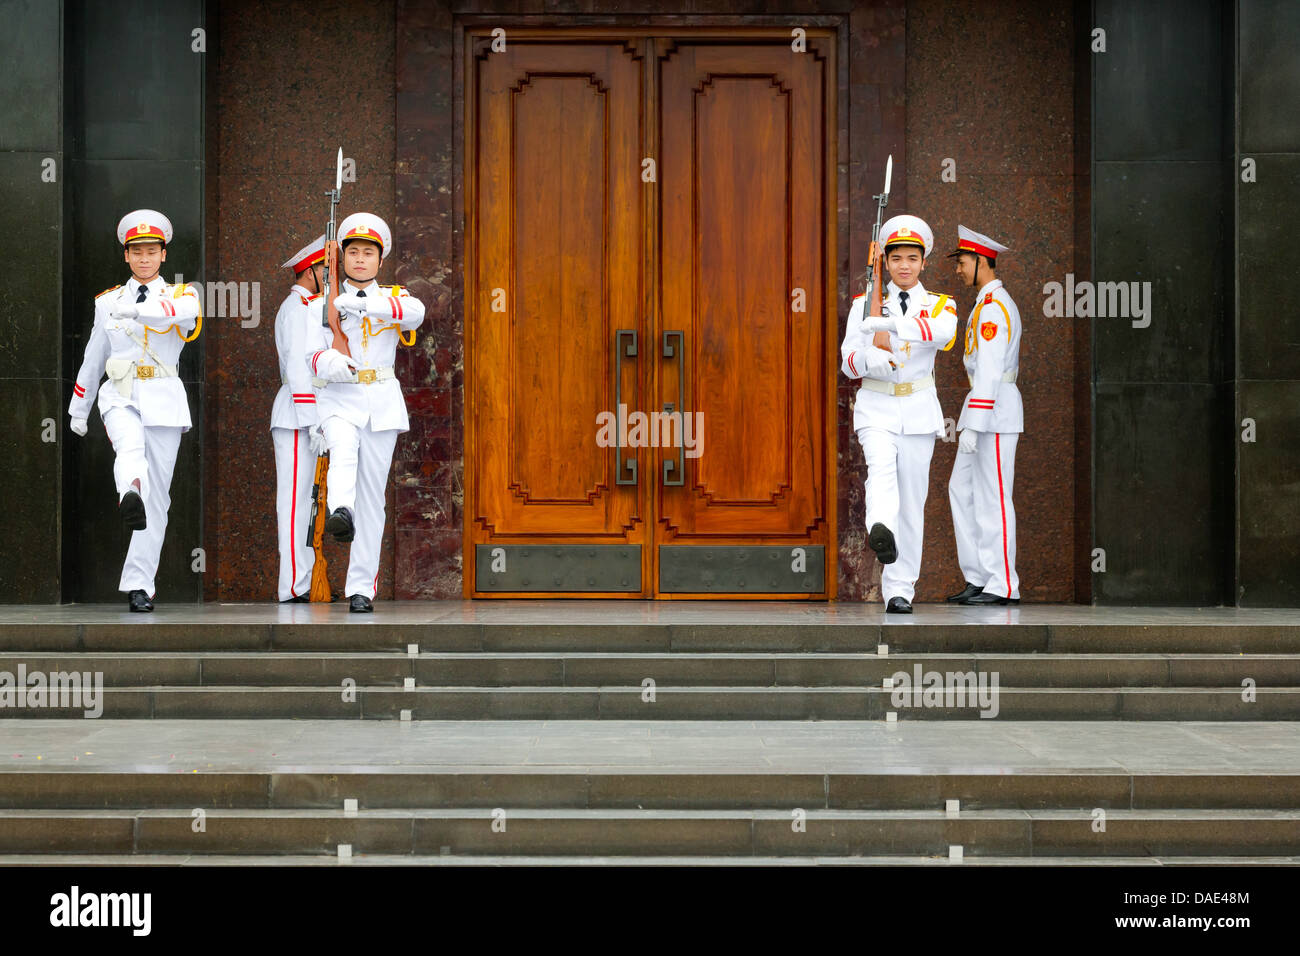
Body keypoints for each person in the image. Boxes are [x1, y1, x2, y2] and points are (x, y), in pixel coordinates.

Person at [67, 209, 202, 612]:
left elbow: (187, 315)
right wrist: (79, 407)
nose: (144, 258)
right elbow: (94, 356)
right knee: (129, 450)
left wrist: (139, 312)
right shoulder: (107, 302)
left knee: (158, 501)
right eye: (137, 251)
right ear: (126, 256)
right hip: (120, 393)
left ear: (164, 255)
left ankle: (140, 583)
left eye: (152, 251)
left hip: (162, 396)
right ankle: (129, 491)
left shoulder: (182, 295)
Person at [306, 212, 424, 612]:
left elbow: (416, 314)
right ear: (342, 257)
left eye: (367, 253)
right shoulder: (320, 304)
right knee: (341, 450)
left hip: (380, 403)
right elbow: (312, 357)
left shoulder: (395, 297)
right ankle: (341, 510)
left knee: (373, 499)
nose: (359, 259)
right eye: (352, 252)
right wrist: (333, 364)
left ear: (380, 259)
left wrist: (362, 301)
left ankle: (361, 588)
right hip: (340, 398)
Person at [840, 215, 958, 613]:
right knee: (880, 472)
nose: (904, 266)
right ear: (885, 263)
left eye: (912, 258)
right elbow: (849, 361)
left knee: (912, 501)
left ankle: (900, 589)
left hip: (919, 410)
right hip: (877, 406)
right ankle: (880, 528)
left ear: (924, 262)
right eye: (896, 259)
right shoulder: (863, 303)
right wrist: (873, 357)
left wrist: (891, 323)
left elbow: (942, 336)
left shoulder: (941, 305)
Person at [945, 225, 1022, 605]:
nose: (958, 270)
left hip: (994, 412)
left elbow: (990, 371)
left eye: (962, 263)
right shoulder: (985, 303)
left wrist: (975, 424)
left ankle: (1002, 583)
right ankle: (978, 576)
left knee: (993, 497)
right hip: (982, 409)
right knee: (961, 490)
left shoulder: (994, 307)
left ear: (981, 262)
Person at [271, 235, 326, 603]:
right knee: (294, 502)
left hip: (310, 413)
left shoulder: (311, 305)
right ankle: (295, 585)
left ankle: (306, 580)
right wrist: (312, 421)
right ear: (310, 272)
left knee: (310, 500)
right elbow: (296, 368)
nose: (331, 275)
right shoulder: (296, 308)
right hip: (296, 414)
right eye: (326, 270)